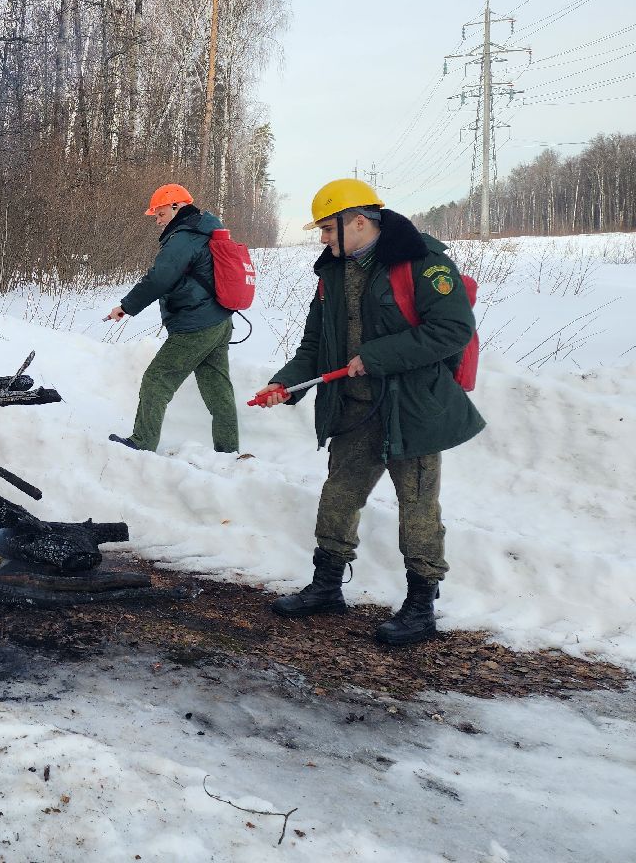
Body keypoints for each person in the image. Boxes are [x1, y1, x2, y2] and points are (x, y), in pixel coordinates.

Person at [252, 178, 484, 646]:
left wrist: (376, 357)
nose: (322, 239)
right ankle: (326, 587)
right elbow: (317, 344)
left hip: (412, 408)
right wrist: (285, 384)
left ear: (359, 222)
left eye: (328, 229)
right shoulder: (332, 272)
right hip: (355, 409)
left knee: (417, 506)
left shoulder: (421, 262)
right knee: (338, 494)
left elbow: (453, 329)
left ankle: (421, 607)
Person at [104, 183, 239, 455]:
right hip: (219, 321)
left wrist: (127, 306)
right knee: (217, 388)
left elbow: (160, 278)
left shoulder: (185, 236)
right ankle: (228, 452)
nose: (157, 220)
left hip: (196, 325)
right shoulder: (205, 230)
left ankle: (141, 443)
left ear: (176, 206)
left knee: (157, 379)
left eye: (160, 213)